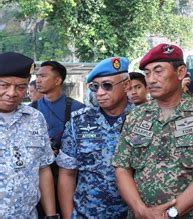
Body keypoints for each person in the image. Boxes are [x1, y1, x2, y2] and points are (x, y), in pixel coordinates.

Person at [112, 43, 193, 218]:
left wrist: (170, 213)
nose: (151, 80)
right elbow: (122, 168)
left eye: (158, 71)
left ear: (180, 72)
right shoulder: (136, 116)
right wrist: (142, 211)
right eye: (147, 73)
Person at [56, 57, 132, 218]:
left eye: (107, 85)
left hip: (131, 214)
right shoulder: (79, 120)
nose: (100, 92)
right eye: (94, 87)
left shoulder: (144, 119)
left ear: (126, 85)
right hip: (87, 213)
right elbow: (67, 173)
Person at [0, 52, 58, 218]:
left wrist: (51, 215)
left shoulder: (35, 118)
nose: (12, 93)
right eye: (4, 85)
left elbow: (43, 168)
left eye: (20, 87)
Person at [34, 61, 85, 153]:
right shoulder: (31, 109)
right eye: (37, 76)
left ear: (57, 81)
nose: (37, 80)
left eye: (43, 76)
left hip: (71, 163)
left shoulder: (78, 109)